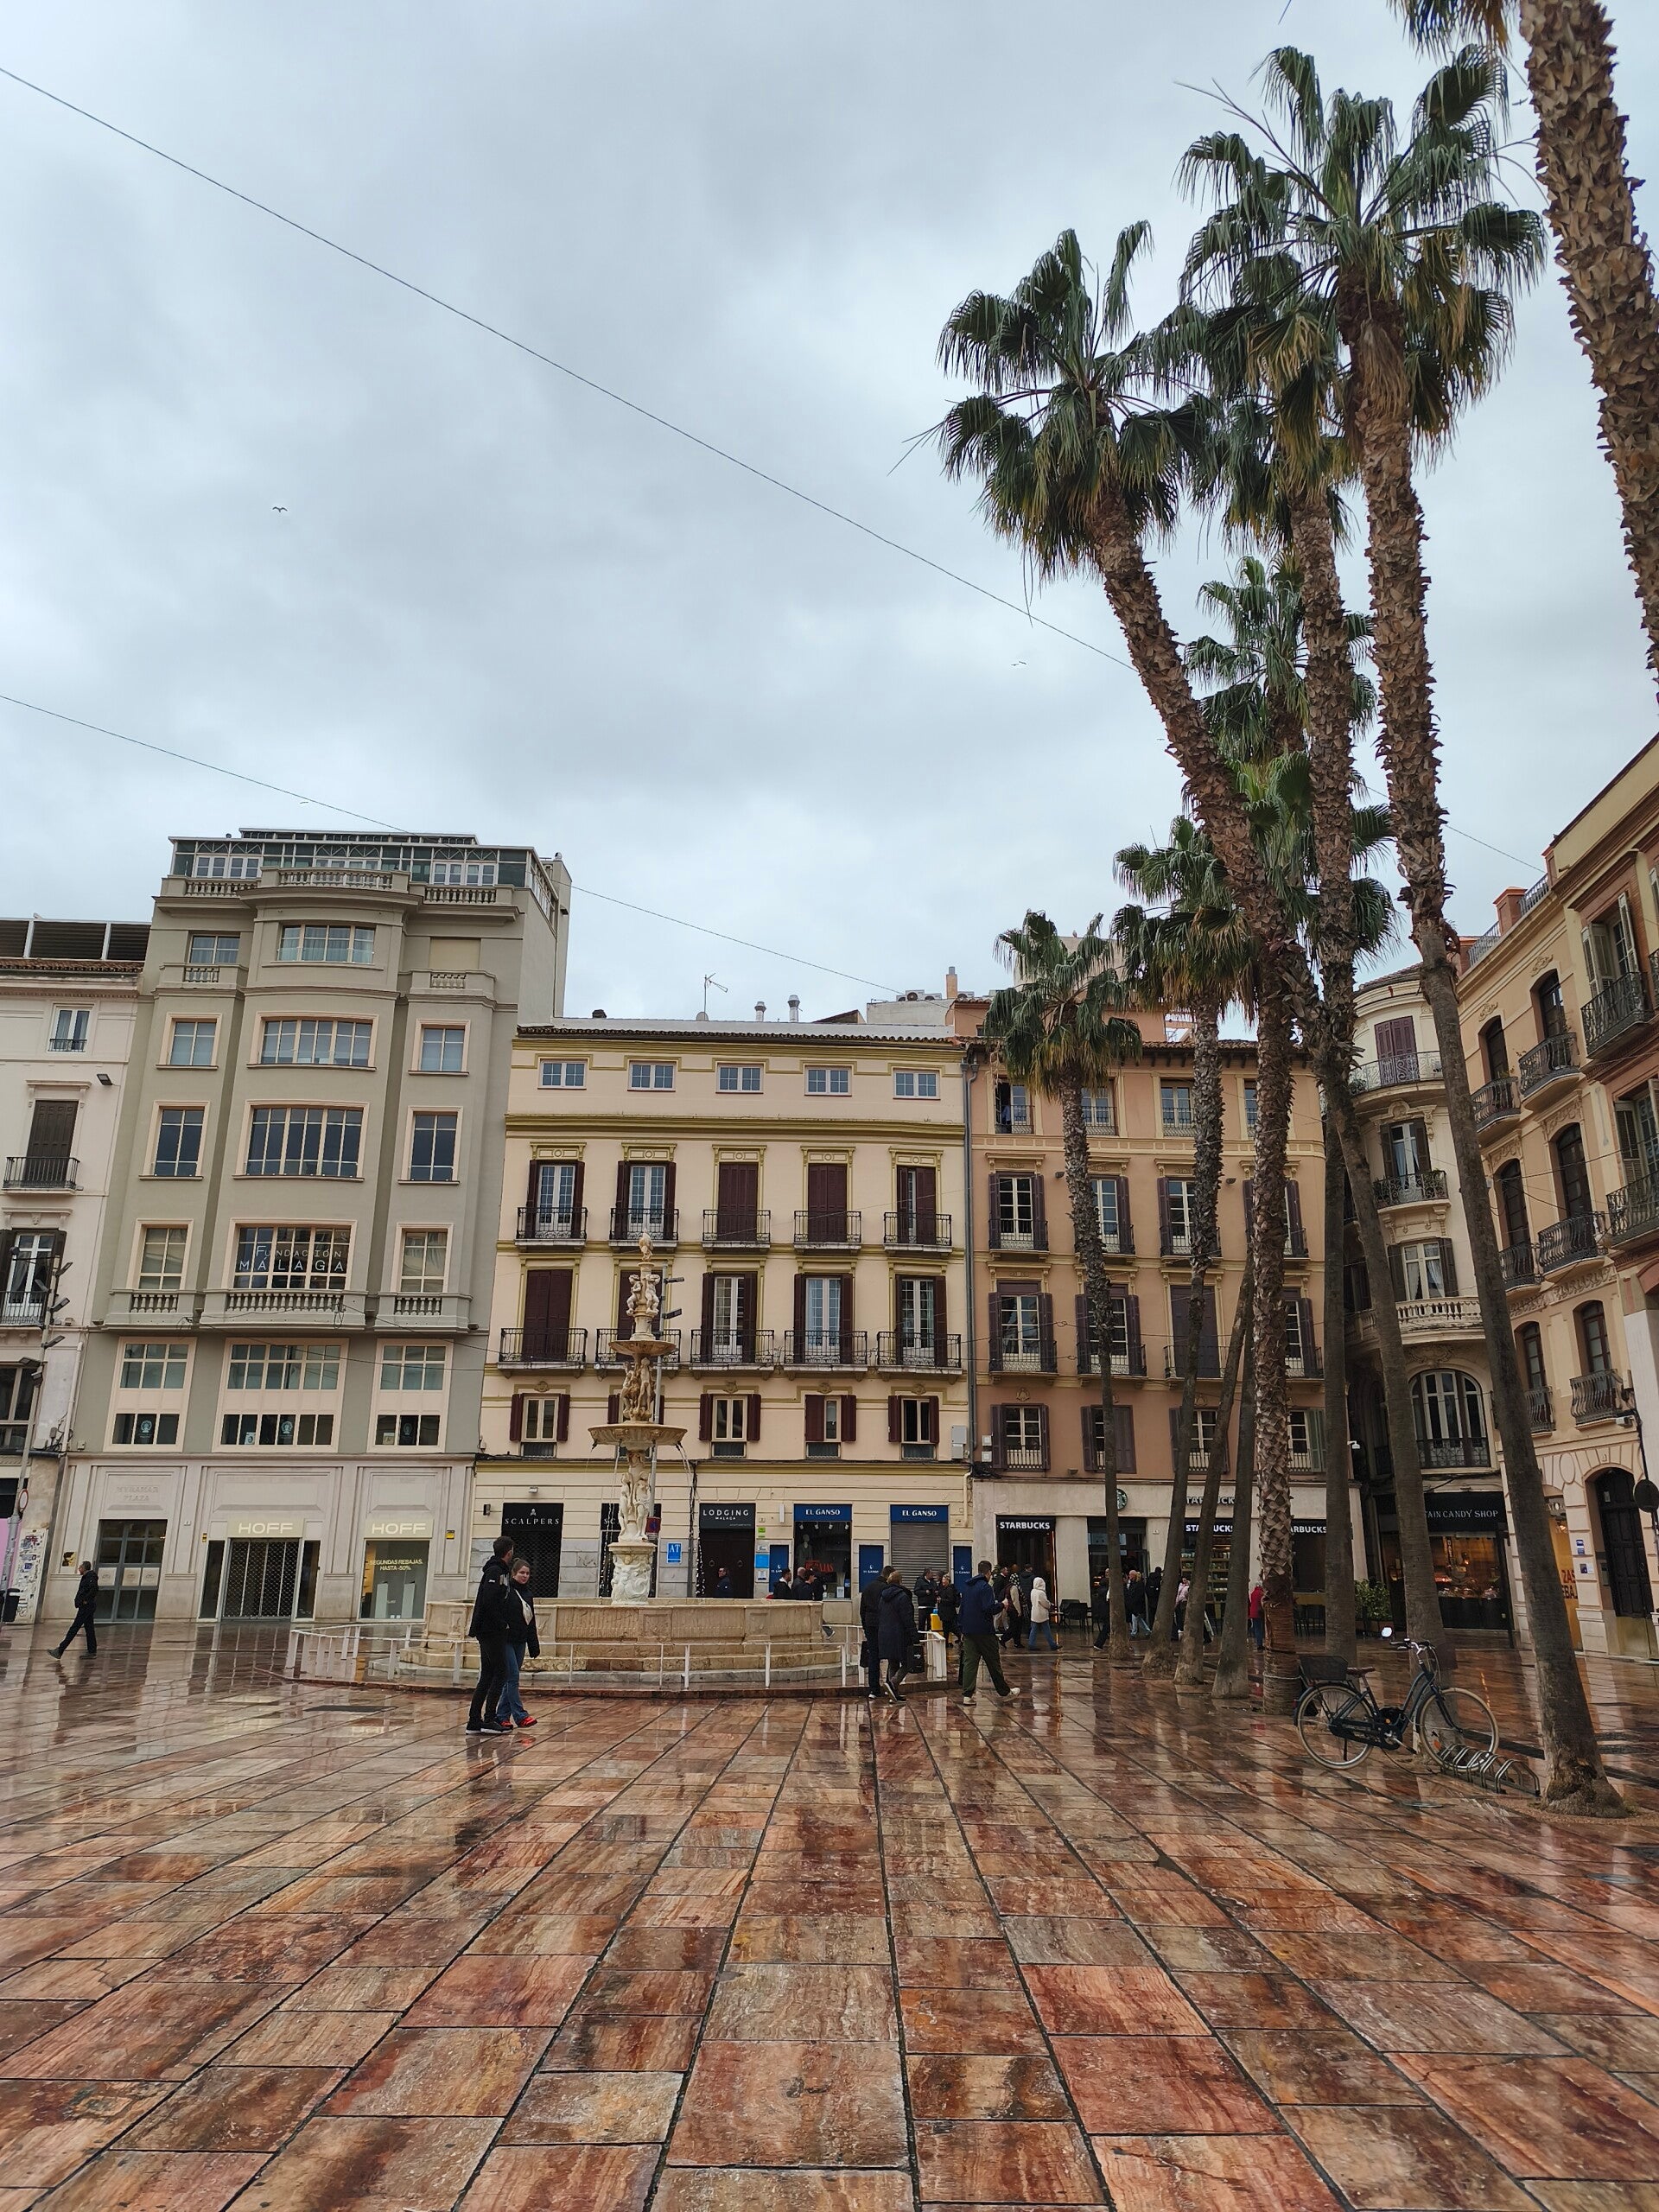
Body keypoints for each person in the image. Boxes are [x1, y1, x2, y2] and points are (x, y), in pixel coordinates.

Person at [467, 1535, 517, 1735]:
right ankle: (488, 1718)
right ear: (509, 1552)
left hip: (490, 1630)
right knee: (501, 1672)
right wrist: (502, 1623)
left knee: (488, 1674)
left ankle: (474, 1720)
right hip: (490, 1631)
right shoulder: (495, 1571)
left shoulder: (498, 1570)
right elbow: (489, 1600)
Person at [959, 1561, 1020, 1705]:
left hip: (969, 1630)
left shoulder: (967, 1587)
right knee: (993, 1662)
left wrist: (961, 1629)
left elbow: (962, 1609)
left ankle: (967, 1695)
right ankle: (1004, 1692)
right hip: (984, 1631)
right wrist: (1002, 1604)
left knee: (970, 1663)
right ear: (988, 1573)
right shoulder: (985, 1587)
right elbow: (989, 1608)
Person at [497, 1559, 540, 1731]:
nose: (525, 1576)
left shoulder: (528, 1594)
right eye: (522, 1572)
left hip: (520, 1641)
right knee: (513, 1677)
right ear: (514, 1573)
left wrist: (533, 1644)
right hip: (506, 1640)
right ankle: (520, 1716)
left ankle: (502, 1716)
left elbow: (530, 1620)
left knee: (510, 1680)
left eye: (527, 1573)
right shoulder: (506, 1591)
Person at [877, 1566, 916, 1705]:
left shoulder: (883, 1597)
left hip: (885, 1634)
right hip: (900, 1635)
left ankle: (893, 1695)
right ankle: (893, 1684)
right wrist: (914, 1635)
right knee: (907, 1663)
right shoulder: (903, 1596)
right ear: (900, 1582)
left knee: (893, 1662)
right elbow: (907, 1618)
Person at [53, 1560, 99, 1658]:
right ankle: (92, 1651)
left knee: (74, 1628)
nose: (79, 1569)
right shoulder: (86, 1577)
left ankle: (60, 1650)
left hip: (86, 1607)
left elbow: (94, 1590)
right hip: (86, 1606)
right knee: (89, 1629)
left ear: (84, 1568)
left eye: (80, 1567)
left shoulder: (90, 1577)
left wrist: (85, 1600)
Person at [859, 1568, 885, 1698]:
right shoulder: (886, 1588)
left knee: (873, 1656)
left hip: (870, 1624)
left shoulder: (868, 1587)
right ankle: (891, 1686)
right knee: (892, 1657)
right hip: (884, 1625)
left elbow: (862, 1609)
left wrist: (865, 1626)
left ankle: (874, 1689)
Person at [1027, 1573, 1058, 1651]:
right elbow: (1045, 1603)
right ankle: (1052, 1645)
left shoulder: (1033, 1591)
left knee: (1034, 1630)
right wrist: (1050, 1605)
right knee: (1047, 1630)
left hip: (1034, 1613)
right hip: (1041, 1613)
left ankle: (1031, 1644)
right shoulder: (1041, 1593)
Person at [936, 1573, 960, 1646]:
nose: (943, 1581)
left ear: (948, 1581)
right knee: (947, 1628)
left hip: (948, 1613)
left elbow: (951, 1600)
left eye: (944, 1580)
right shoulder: (944, 1589)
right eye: (942, 1579)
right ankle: (946, 1642)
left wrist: (941, 1600)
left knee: (950, 1627)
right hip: (945, 1613)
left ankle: (960, 1637)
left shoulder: (949, 1589)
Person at [1090, 1573, 1112, 1650]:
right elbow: (1108, 1600)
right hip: (1106, 1611)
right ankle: (1099, 1643)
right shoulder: (1107, 1591)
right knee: (1106, 1627)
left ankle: (1099, 1643)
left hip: (1101, 1611)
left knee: (1106, 1627)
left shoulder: (1100, 1591)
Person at [1126, 1567, 1148, 1637]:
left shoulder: (1139, 1584)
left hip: (1137, 1604)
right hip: (1134, 1604)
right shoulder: (1133, 1583)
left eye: (1130, 1575)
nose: (1129, 1576)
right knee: (1139, 1619)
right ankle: (1147, 1630)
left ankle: (1134, 1632)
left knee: (1135, 1618)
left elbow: (1138, 1595)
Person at [1248, 1580, 1265, 1651]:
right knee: (1259, 1628)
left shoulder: (1253, 1593)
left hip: (1253, 1612)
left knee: (1256, 1627)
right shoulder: (1261, 1593)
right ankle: (1260, 1644)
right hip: (1259, 1613)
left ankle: (1258, 1642)